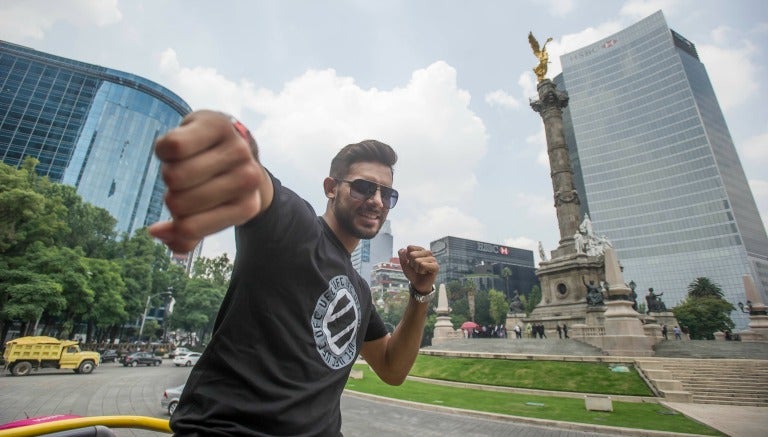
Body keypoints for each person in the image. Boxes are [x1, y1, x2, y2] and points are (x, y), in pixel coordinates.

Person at [148, 110, 439, 436]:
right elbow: (257, 185)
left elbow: (392, 368)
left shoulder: (359, 289)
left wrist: (420, 294)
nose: (376, 201)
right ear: (331, 188)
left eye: (387, 194)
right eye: (363, 188)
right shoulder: (294, 226)